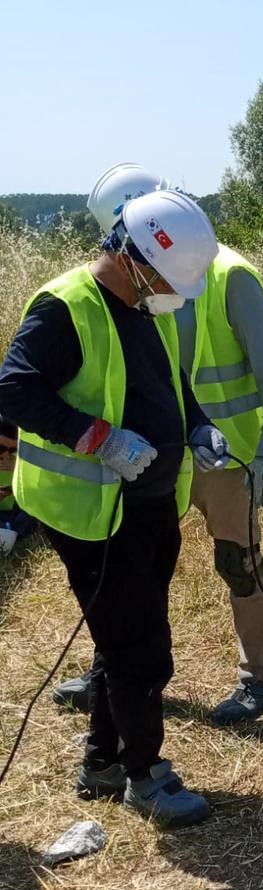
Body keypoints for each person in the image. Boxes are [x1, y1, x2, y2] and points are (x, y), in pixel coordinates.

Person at [0, 189, 226, 825]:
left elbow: (168, 386)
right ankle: (144, 774)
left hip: (147, 503)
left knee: (123, 631)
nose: (173, 292)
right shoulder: (64, 308)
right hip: (92, 512)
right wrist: (96, 438)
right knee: (140, 647)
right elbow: (13, 391)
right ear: (132, 257)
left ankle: (102, 760)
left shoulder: (139, 306)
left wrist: (200, 425)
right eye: (167, 278)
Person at [54, 163, 263, 725]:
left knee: (239, 562)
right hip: (148, 454)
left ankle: (257, 680)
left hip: (222, 458)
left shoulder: (230, 275)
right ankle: (109, 676)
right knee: (127, 569)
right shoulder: (121, 280)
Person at [0, 415, 38, 555]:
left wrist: (19, 466)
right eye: (1, 448)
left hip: (19, 511)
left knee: (29, 514)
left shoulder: (24, 457)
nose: (6, 456)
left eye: (12, 450)